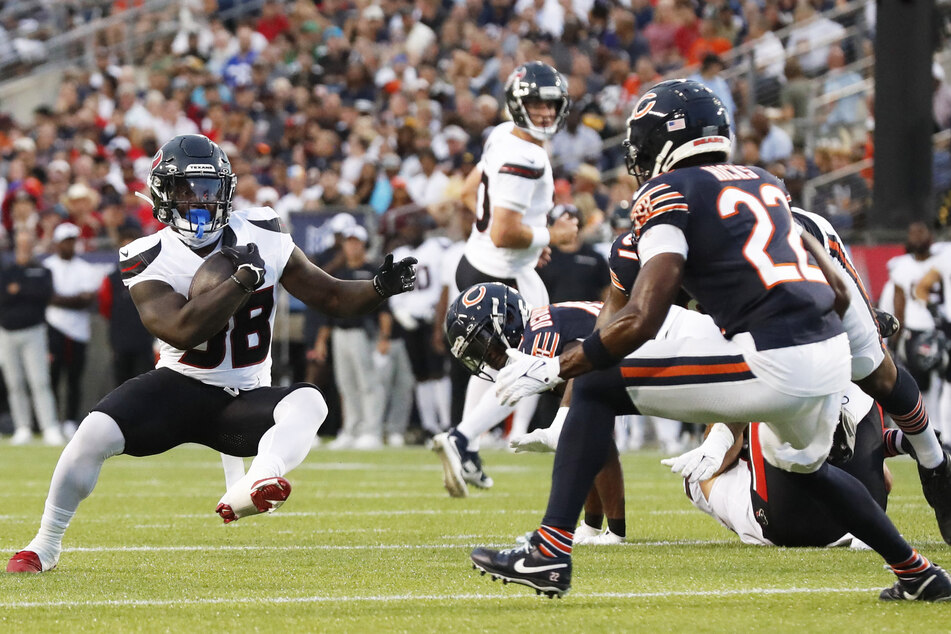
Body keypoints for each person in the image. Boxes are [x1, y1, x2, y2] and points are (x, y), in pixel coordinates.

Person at [472, 80, 951, 602]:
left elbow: (643, 317)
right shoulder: (763, 181)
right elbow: (836, 291)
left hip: (777, 358)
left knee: (596, 384)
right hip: (830, 357)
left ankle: (548, 551)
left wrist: (558, 367)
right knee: (804, 467)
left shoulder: (667, 192)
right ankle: (917, 572)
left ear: (663, 142)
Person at [6, 134, 416, 573]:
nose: (200, 200)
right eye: (187, 189)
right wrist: (239, 282)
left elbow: (331, 297)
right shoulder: (147, 255)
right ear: (164, 193)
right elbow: (181, 330)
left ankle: (259, 480)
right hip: (181, 388)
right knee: (92, 434)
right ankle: (44, 544)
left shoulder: (263, 231)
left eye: (210, 190)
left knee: (310, 400)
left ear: (227, 191)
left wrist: (377, 288)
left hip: (243, 400)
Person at [434, 61, 578, 487]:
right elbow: (503, 233)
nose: (546, 113)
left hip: (477, 263)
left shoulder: (501, 136)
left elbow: (466, 193)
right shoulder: (527, 155)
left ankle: (466, 447)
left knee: (495, 368)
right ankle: (463, 438)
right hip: (502, 275)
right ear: (518, 104)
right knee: (531, 369)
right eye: (536, 104)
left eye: (552, 105)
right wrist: (552, 234)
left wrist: (534, 241)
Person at [444, 282, 626, 544]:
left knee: (582, 426)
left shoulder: (538, 334)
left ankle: (613, 531)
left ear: (507, 318)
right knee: (587, 426)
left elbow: (583, 364)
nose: (486, 356)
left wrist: (560, 422)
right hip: (625, 358)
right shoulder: (535, 335)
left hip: (653, 349)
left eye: (484, 342)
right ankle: (593, 526)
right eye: (475, 352)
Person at [0, 230, 62, 445]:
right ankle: (22, 427)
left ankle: (49, 426)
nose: (24, 247)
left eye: (28, 243)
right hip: (7, 332)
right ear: (16, 245)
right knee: (14, 382)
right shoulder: (6, 271)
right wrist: (20, 292)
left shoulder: (41, 270)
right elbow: (4, 296)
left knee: (39, 381)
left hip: (34, 331)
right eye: (21, 243)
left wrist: (18, 291)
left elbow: (44, 294)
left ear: (33, 245)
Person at [44, 222, 103, 436]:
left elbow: (86, 301)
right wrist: (74, 298)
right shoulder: (48, 266)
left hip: (78, 331)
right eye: (66, 241)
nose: (70, 245)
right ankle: (50, 420)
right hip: (53, 328)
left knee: (74, 378)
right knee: (51, 376)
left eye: (72, 241)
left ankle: (69, 419)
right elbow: (46, 296)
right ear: (57, 243)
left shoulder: (85, 268)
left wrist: (57, 299)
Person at [98, 225, 155, 386]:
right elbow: (105, 307)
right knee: (121, 386)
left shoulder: (152, 277)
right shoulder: (112, 279)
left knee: (145, 386)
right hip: (120, 342)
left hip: (144, 341)